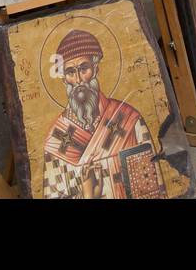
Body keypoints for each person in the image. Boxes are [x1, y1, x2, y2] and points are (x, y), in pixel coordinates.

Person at [42, 29, 165, 199]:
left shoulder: (128, 120)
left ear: (96, 69)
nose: (78, 80)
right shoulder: (57, 138)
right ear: (64, 79)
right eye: (70, 72)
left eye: (83, 68)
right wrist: (87, 195)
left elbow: (152, 188)